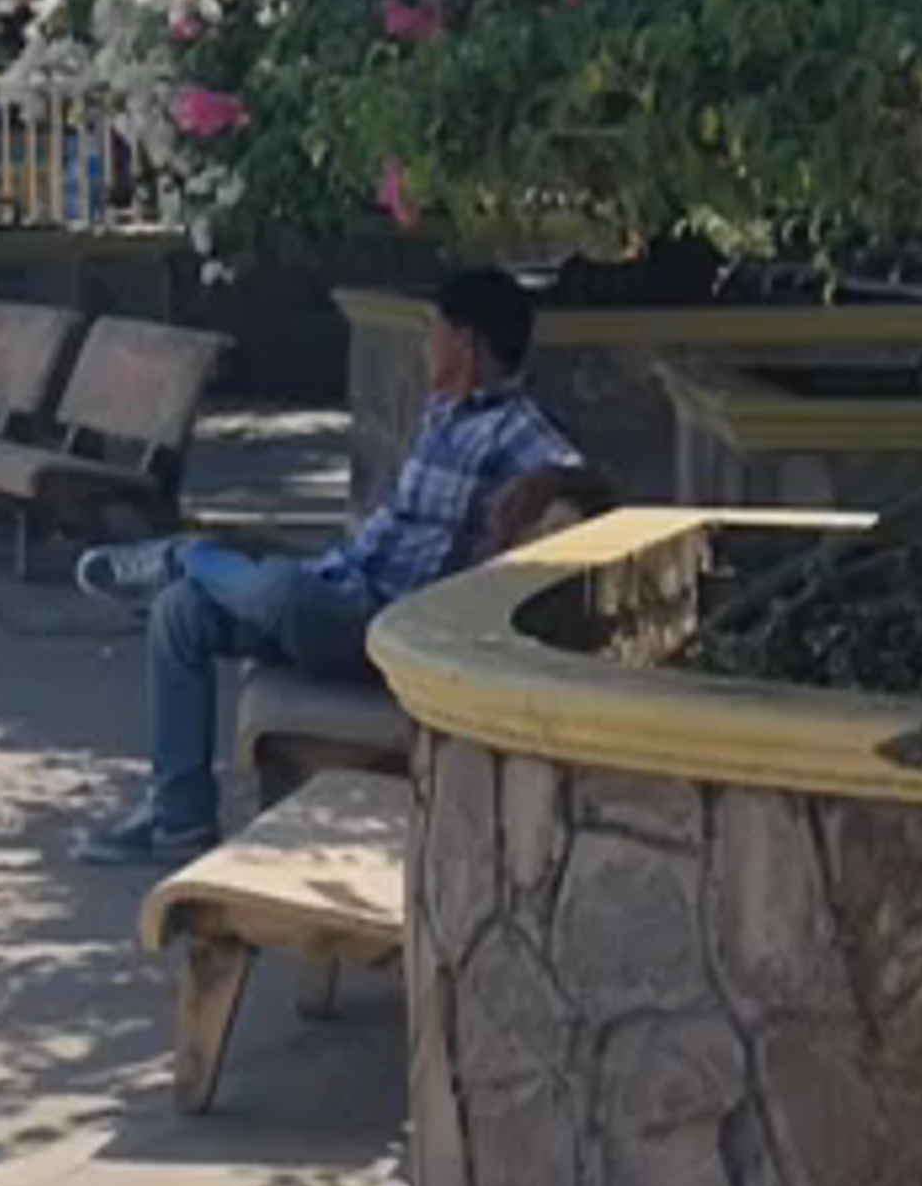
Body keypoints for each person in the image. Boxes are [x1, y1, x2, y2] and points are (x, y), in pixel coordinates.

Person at [69, 263, 579, 862]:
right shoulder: (446, 413)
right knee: (180, 612)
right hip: (344, 586)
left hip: (383, 626)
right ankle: (179, 819)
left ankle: (183, 554)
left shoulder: (514, 427)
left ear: (465, 342)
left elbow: (592, 486)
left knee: (282, 592)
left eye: (434, 333)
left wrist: (546, 483)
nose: (426, 347)